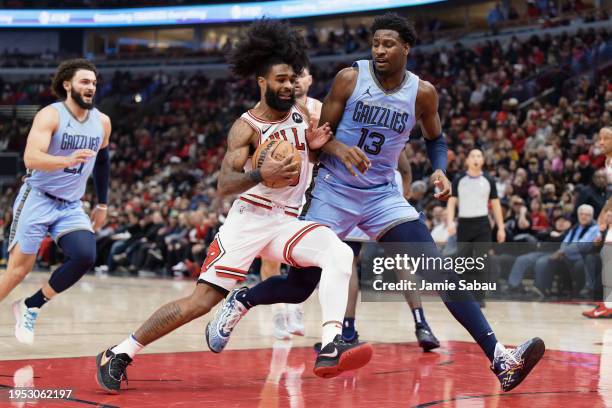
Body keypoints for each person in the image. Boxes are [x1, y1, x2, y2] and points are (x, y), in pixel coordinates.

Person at [207, 13, 545, 392]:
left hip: (382, 195)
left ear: (406, 48)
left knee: (438, 270)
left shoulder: (423, 93)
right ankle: (243, 299)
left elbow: (436, 139)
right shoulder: (351, 78)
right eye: (375, 44)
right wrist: (340, 148)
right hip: (334, 190)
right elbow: (321, 139)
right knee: (302, 286)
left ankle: (501, 358)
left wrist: (439, 170)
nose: (380, 50)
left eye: (388, 44)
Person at [95, 20, 372, 394]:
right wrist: (260, 171)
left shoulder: (304, 114)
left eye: (293, 79)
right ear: (262, 81)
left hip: (287, 221)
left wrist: (317, 146)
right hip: (248, 220)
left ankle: (330, 346)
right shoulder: (245, 127)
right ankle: (119, 352)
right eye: (281, 80)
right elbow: (225, 185)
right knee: (201, 302)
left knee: (339, 254)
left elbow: (311, 153)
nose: (289, 86)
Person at [0, 59, 111, 345]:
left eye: (94, 83)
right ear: (67, 85)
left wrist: (102, 203)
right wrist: (65, 160)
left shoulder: (102, 122)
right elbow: (31, 158)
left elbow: (102, 162)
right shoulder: (50, 116)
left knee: (85, 255)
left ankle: (31, 305)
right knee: (18, 271)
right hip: (37, 197)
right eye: (84, 82)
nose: (90, 87)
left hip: (71, 205)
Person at [325, 147, 440, 352]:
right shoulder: (389, 122)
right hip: (386, 191)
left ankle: (348, 331)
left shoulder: (348, 125)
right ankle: (421, 324)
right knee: (400, 261)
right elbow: (405, 170)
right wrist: (403, 194)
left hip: (353, 188)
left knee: (349, 262)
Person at [260, 65, 322, 340]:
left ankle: (295, 309)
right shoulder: (272, 108)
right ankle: (277, 316)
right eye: (291, 76)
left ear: (310, 80)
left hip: (307, 192)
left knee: (304, 258)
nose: (296, 80)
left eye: (302, 75)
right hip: (274, 191)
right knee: (270, 258)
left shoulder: (319, 108)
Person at [447, 149, 506, 307]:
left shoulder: (489, 180)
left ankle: (479, 298)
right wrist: (450, 221)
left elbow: (496, 205)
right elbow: (452, 202)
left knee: (481, 261)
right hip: (464, 224)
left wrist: (501, 228)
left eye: (479, 156)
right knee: (463, 262)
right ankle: (466, 296)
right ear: (467, 160)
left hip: (482, 225)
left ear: (483, 160)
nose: (475, 158)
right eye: (472, 156)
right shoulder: (459, 179)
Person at [583, 127, 612, 318]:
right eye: (599, 138)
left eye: (606, 138)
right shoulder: (608, 162)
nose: (601, 142)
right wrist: (603, 212)